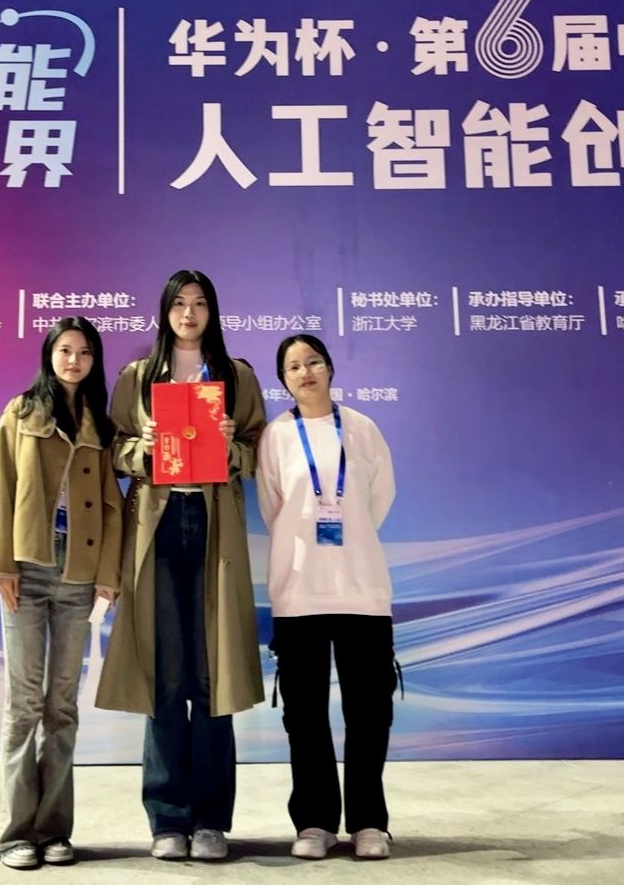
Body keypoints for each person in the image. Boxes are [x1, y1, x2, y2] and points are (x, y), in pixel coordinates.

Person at [96, 270, 266, 862]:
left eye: (199, 304)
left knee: (213, 676)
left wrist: (230, 444)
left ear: (212, 312)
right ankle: (167, 819)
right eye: (179, 304)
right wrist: (142, 446)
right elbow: (114, 449)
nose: (189, 314)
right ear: (165, 312)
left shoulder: (236, 376)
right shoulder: (139, 376)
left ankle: (212, 820)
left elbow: (258, 450)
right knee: (164, 675)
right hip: (159, 526)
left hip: (214, 528)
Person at [0, 316, 124, 870]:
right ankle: (15, 833)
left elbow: (111, 504)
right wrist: (0, 566)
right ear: (49, 355)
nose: (74, 361)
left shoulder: (99, 425)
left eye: (84, 353)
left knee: (62, 706)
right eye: (65, 350)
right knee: (23, 704)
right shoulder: (21, 412)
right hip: (28, 567)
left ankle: (55, 830)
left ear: (94, 361)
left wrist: (107, 574)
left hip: (79, 573)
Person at [256, 334, 398, 861]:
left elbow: (379, 499)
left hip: (362, 589)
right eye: (293, 366)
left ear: (330, 368)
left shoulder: (362, 429)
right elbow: (273, 506)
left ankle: (369, 822)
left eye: (313, 361)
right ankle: (314, 821)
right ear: (284, 380)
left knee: (369, 712)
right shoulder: (276, 436)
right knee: (305, 715)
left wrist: (347, 536)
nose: (305, 372)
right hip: (299, 593)